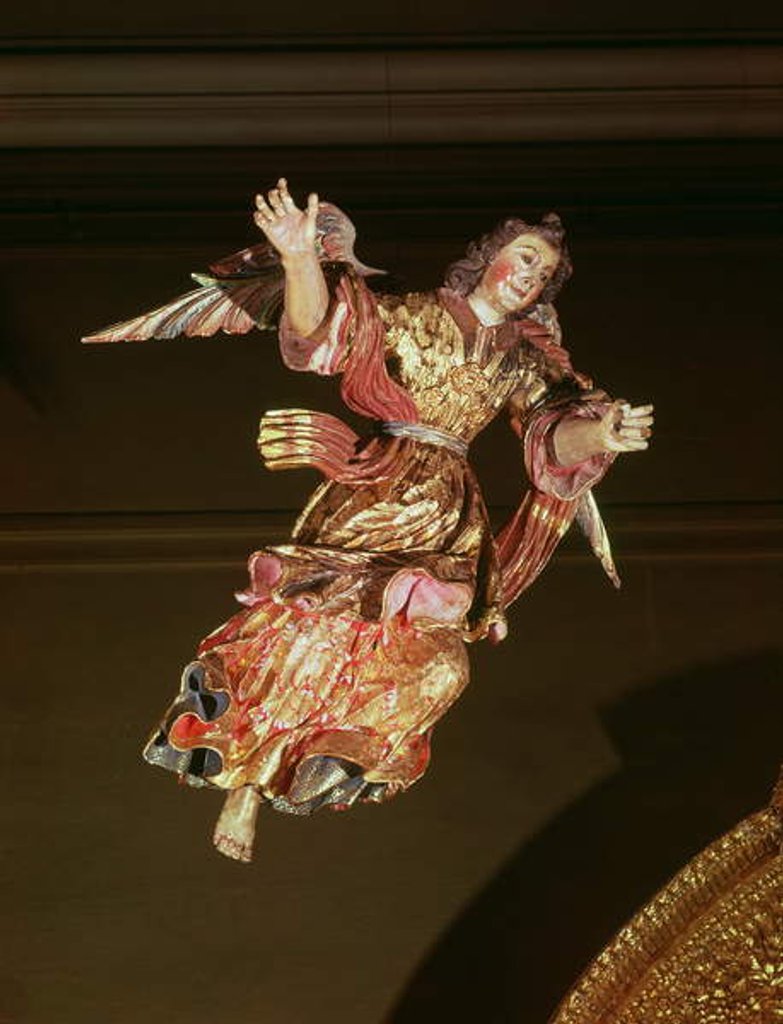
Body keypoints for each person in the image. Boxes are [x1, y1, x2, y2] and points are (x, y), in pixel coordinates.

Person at [142, 179, 653, 862]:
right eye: (522, 258)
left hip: (447, 520)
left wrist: (602, 437)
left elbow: (549, 440)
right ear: (487, 256)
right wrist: (299, 260)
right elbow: (321, 335)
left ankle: (328, 753)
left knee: (438, 662)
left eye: (542, 274)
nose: (528, 278)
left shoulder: (522, 360)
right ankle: (251, 778)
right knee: (310, 634)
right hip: (375, 492)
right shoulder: (409, 315)